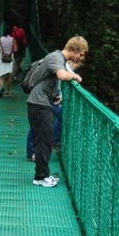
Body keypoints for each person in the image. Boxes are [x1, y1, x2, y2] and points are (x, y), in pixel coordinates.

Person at [27, 36, 88, 187]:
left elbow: (51, 79)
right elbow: (61, 74)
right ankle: (41, 177)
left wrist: (55, 95)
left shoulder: (58, 58)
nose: (81, 57)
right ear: (74, 50)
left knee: (45, 140)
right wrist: (74, 76)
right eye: (81, 54)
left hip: (41, 102)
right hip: (39, 104)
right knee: (44, 141)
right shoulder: (56, 57)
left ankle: (42, 175)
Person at [0, 26, 18, 98]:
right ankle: (7, 92)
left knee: (1, 75)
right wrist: (10, 51)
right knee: (9, 75)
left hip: (1, 59)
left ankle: (1, 87)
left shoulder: (0, 39)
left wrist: (2, 52)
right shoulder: (13, 40)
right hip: (10, 59)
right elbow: (15, 50)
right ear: (11, 32)